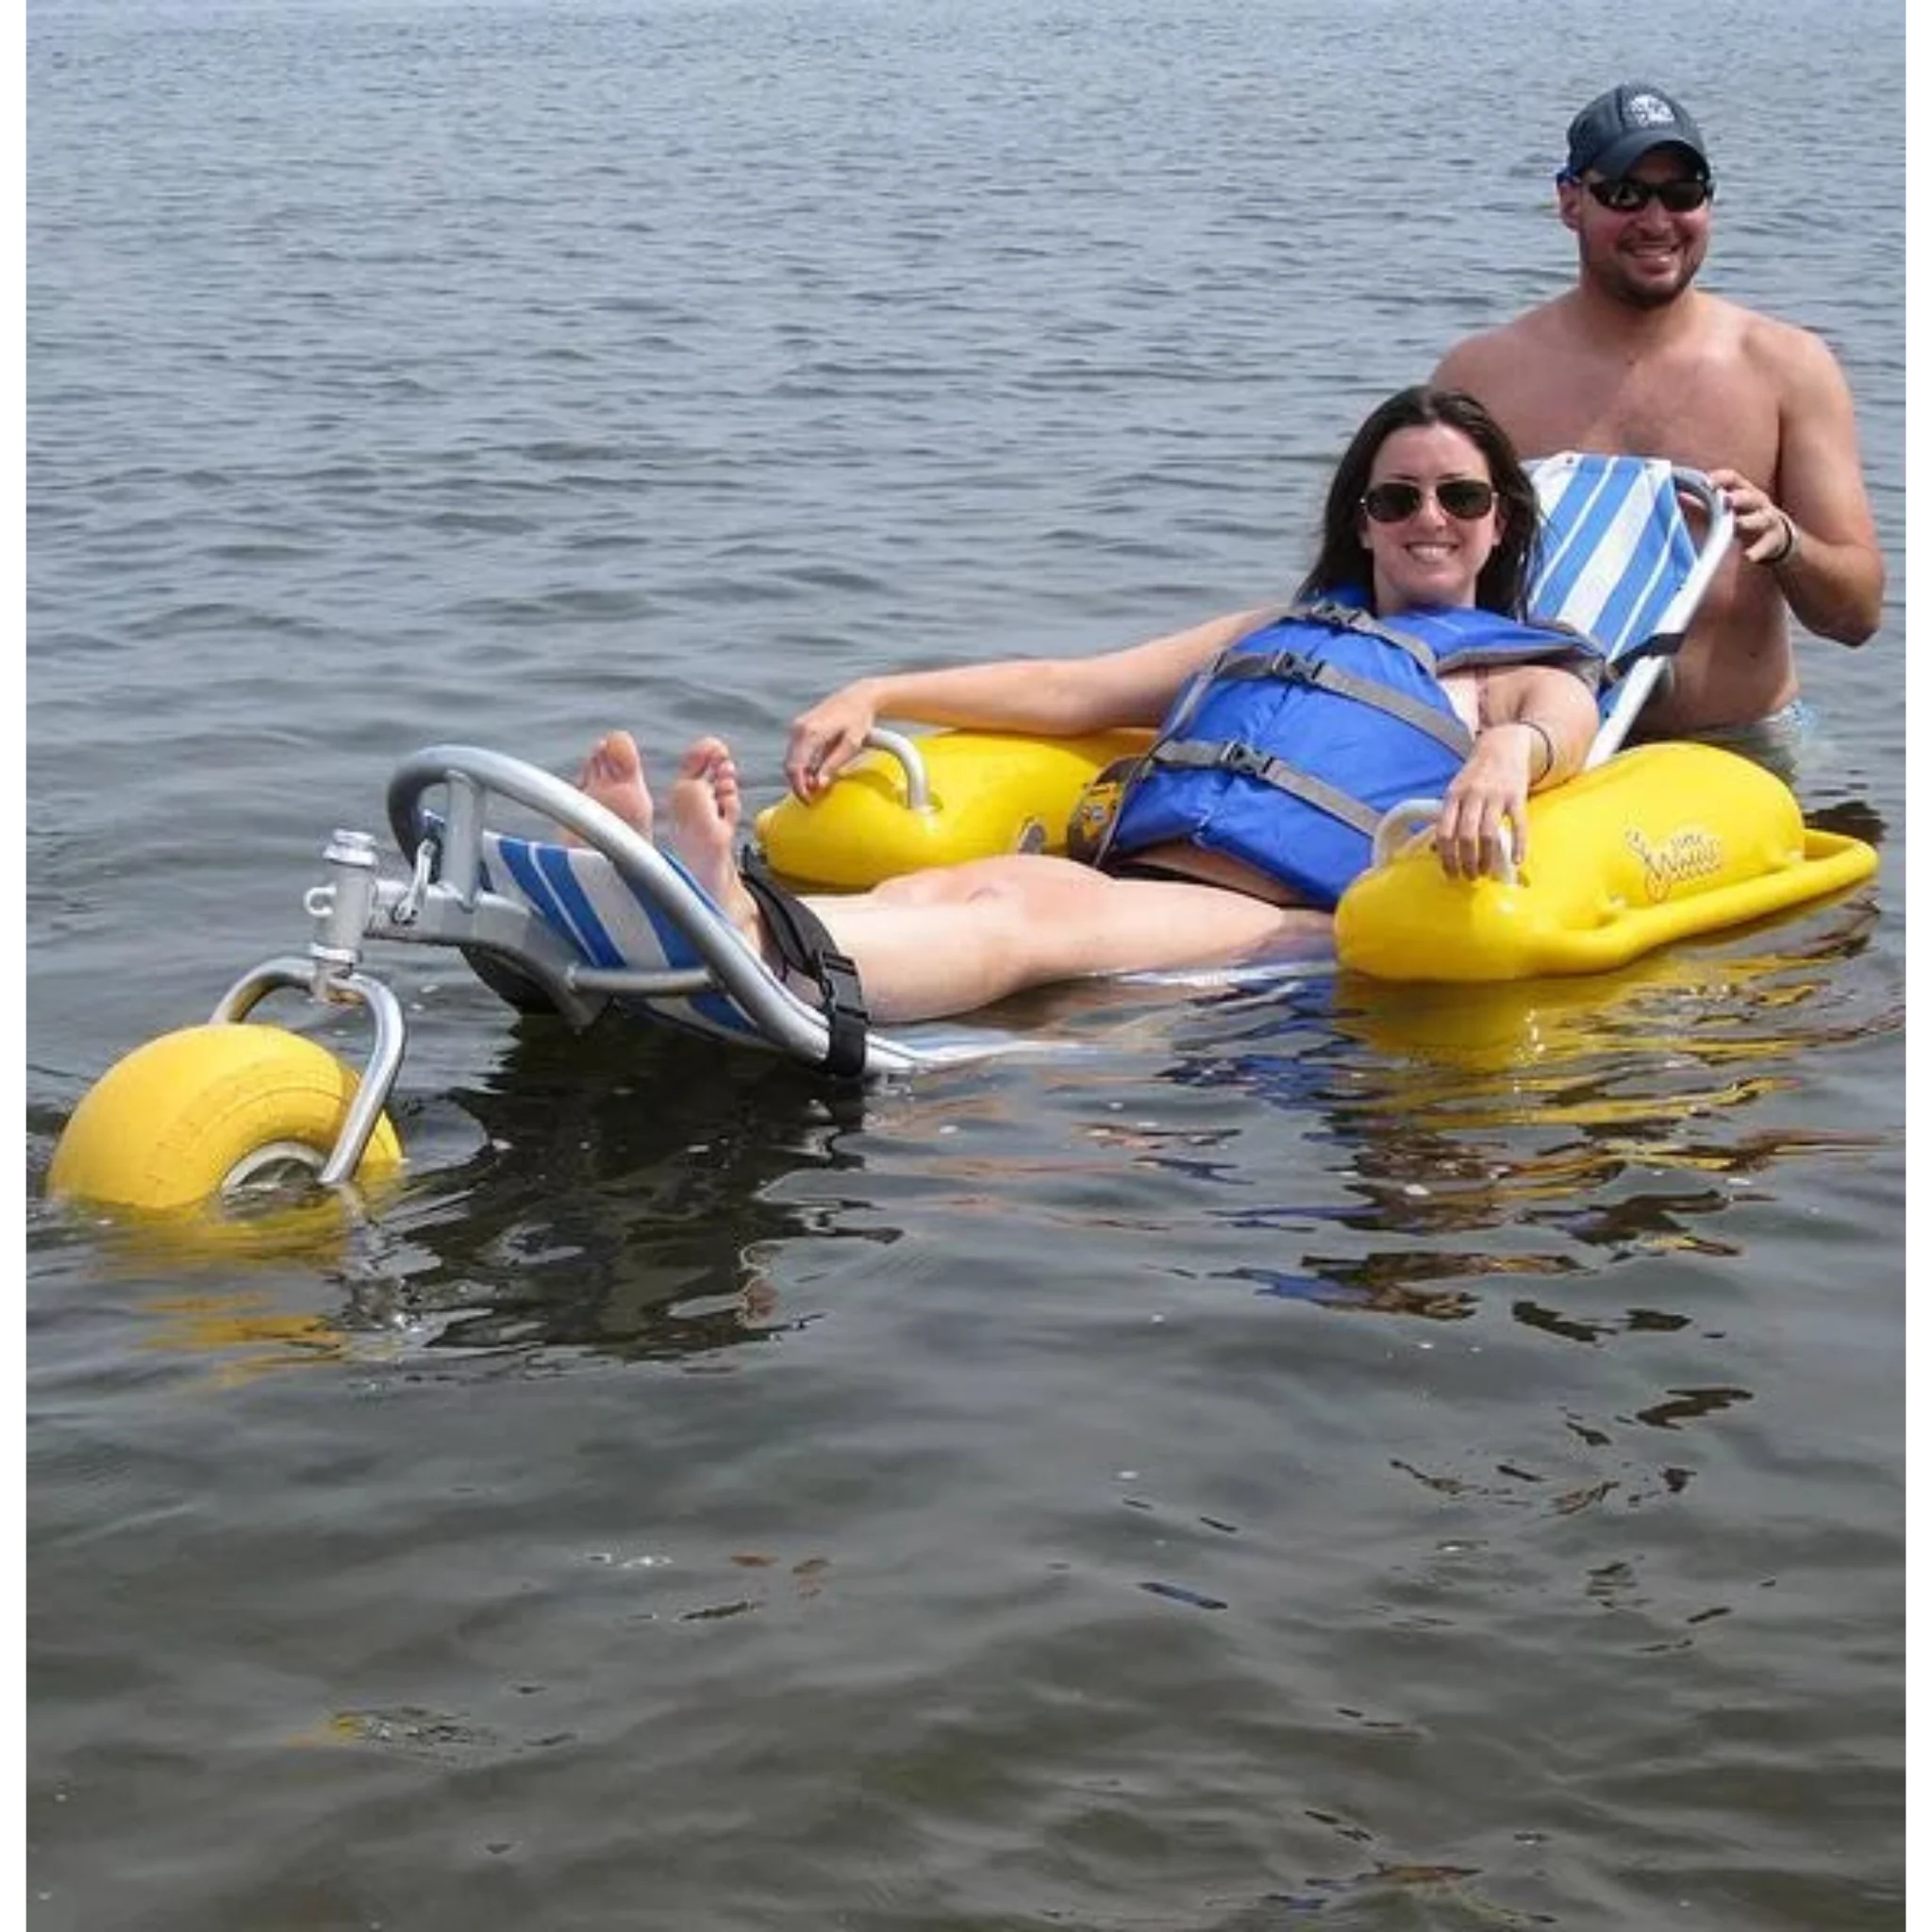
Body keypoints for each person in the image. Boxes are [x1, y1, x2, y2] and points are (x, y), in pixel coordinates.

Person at [574, 385, 1604, 1028]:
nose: (1429, 518)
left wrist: (1504, 754)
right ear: (1362, 522)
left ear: (1499, 522)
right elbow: (1070, 687)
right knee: (942, 892)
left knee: (1022, 920)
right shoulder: (1271, 628)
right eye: (1397, 498)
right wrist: (878, 689)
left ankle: (765, 956)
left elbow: (1562, 725)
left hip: (1276, 921)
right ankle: (712, 908)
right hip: (1130, 872)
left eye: (1459, 497)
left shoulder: (1513, 669)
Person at [1430, 80, 1885, 781]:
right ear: (1569, 200)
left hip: (1741, 753)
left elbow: (1856, 615)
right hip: (1543, 756)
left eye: (1682, 193)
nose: (1656, 218)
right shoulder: (1479, 377)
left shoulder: (1788, 367)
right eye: (1624, 193)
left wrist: (1785, 544)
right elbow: (1405, 580)